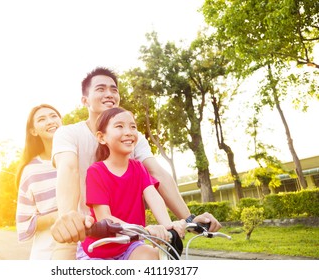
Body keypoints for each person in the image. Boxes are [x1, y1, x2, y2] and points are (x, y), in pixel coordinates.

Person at [50, 67, 221, 258]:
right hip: (84, 231)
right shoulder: (69, 133)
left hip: (130, 238)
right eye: (100, 89)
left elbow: (157, 174)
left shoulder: (134, 139)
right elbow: (69, 170)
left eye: (114, 89)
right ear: (85, 100)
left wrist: (187, 220)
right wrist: (68, 219)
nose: (109, 94)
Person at [77, 107, 185, 260]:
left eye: (133, 126)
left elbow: (153, 197)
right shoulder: (96, 171)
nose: (128, 132)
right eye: (119, 126)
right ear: (101, 137)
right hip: (99, 249)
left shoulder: (139, 168)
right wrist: (144, 230)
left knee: (156, 259)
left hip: (130, 245)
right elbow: (104, 217)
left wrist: (168, 226)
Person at [15, 104, 63, 259]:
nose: (50, 121)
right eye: (42, 119)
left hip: (85, 251)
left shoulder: (80, 156)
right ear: (33, 131)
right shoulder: (30, 171)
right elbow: (24, 223)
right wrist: (58, 215)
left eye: (54, 116)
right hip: (47, 253)